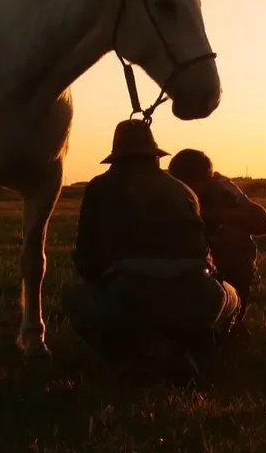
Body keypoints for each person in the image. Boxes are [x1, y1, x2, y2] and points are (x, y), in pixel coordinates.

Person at [62, 119, 240, 375]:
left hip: (129, 300)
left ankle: (128, 353)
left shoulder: (100, 188)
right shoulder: (185, 191)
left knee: (73, 297)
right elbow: (205, 256)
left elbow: (86, 259)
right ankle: (195, 344)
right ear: (155, 157)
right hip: (196, 298)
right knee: (230, 296)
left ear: (116, 159)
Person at [167, 149, 266, 326]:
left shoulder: (222, 189)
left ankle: (233, 319)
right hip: (180, 269)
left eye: (193, 185)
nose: (189, 191)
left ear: (208, 180)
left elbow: (263, 223)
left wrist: (211, 215)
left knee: (233, 236)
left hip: (220, 267)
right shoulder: (166, 189)